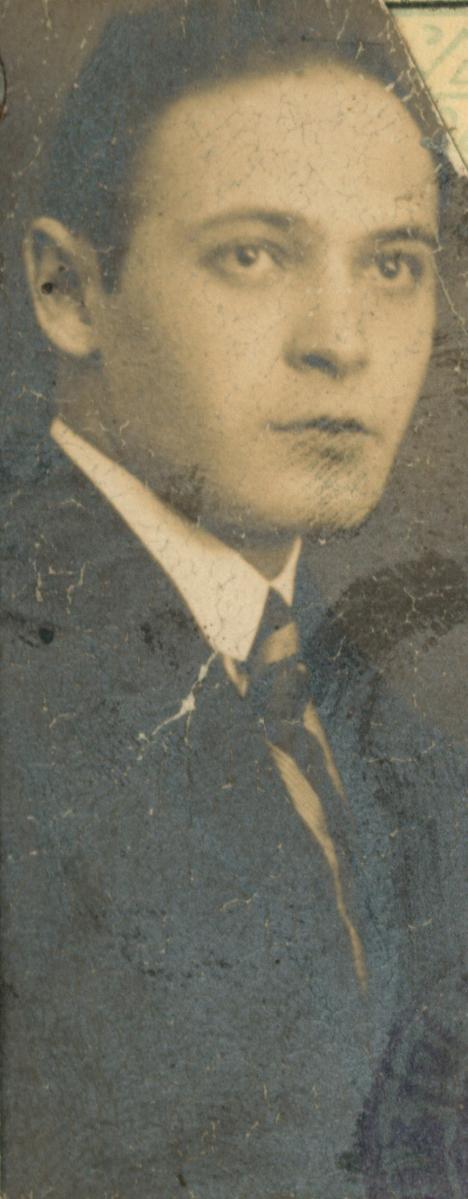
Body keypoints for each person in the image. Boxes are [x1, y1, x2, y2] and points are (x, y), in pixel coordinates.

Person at [2, 2, 465, 1196]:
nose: (343, 342)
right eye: (253, 254)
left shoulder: (394, 738)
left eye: (393, 264)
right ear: (67, 290)